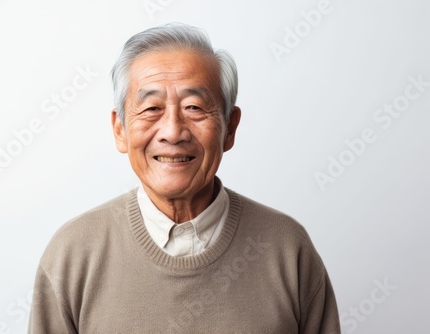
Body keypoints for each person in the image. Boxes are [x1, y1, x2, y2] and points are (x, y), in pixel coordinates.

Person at [28, 23, 340, 333]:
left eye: (194, 107)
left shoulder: (287, 249)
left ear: (230, 128)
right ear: (120, 130)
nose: (173, 132)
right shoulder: (72, 255)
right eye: (151, 108)